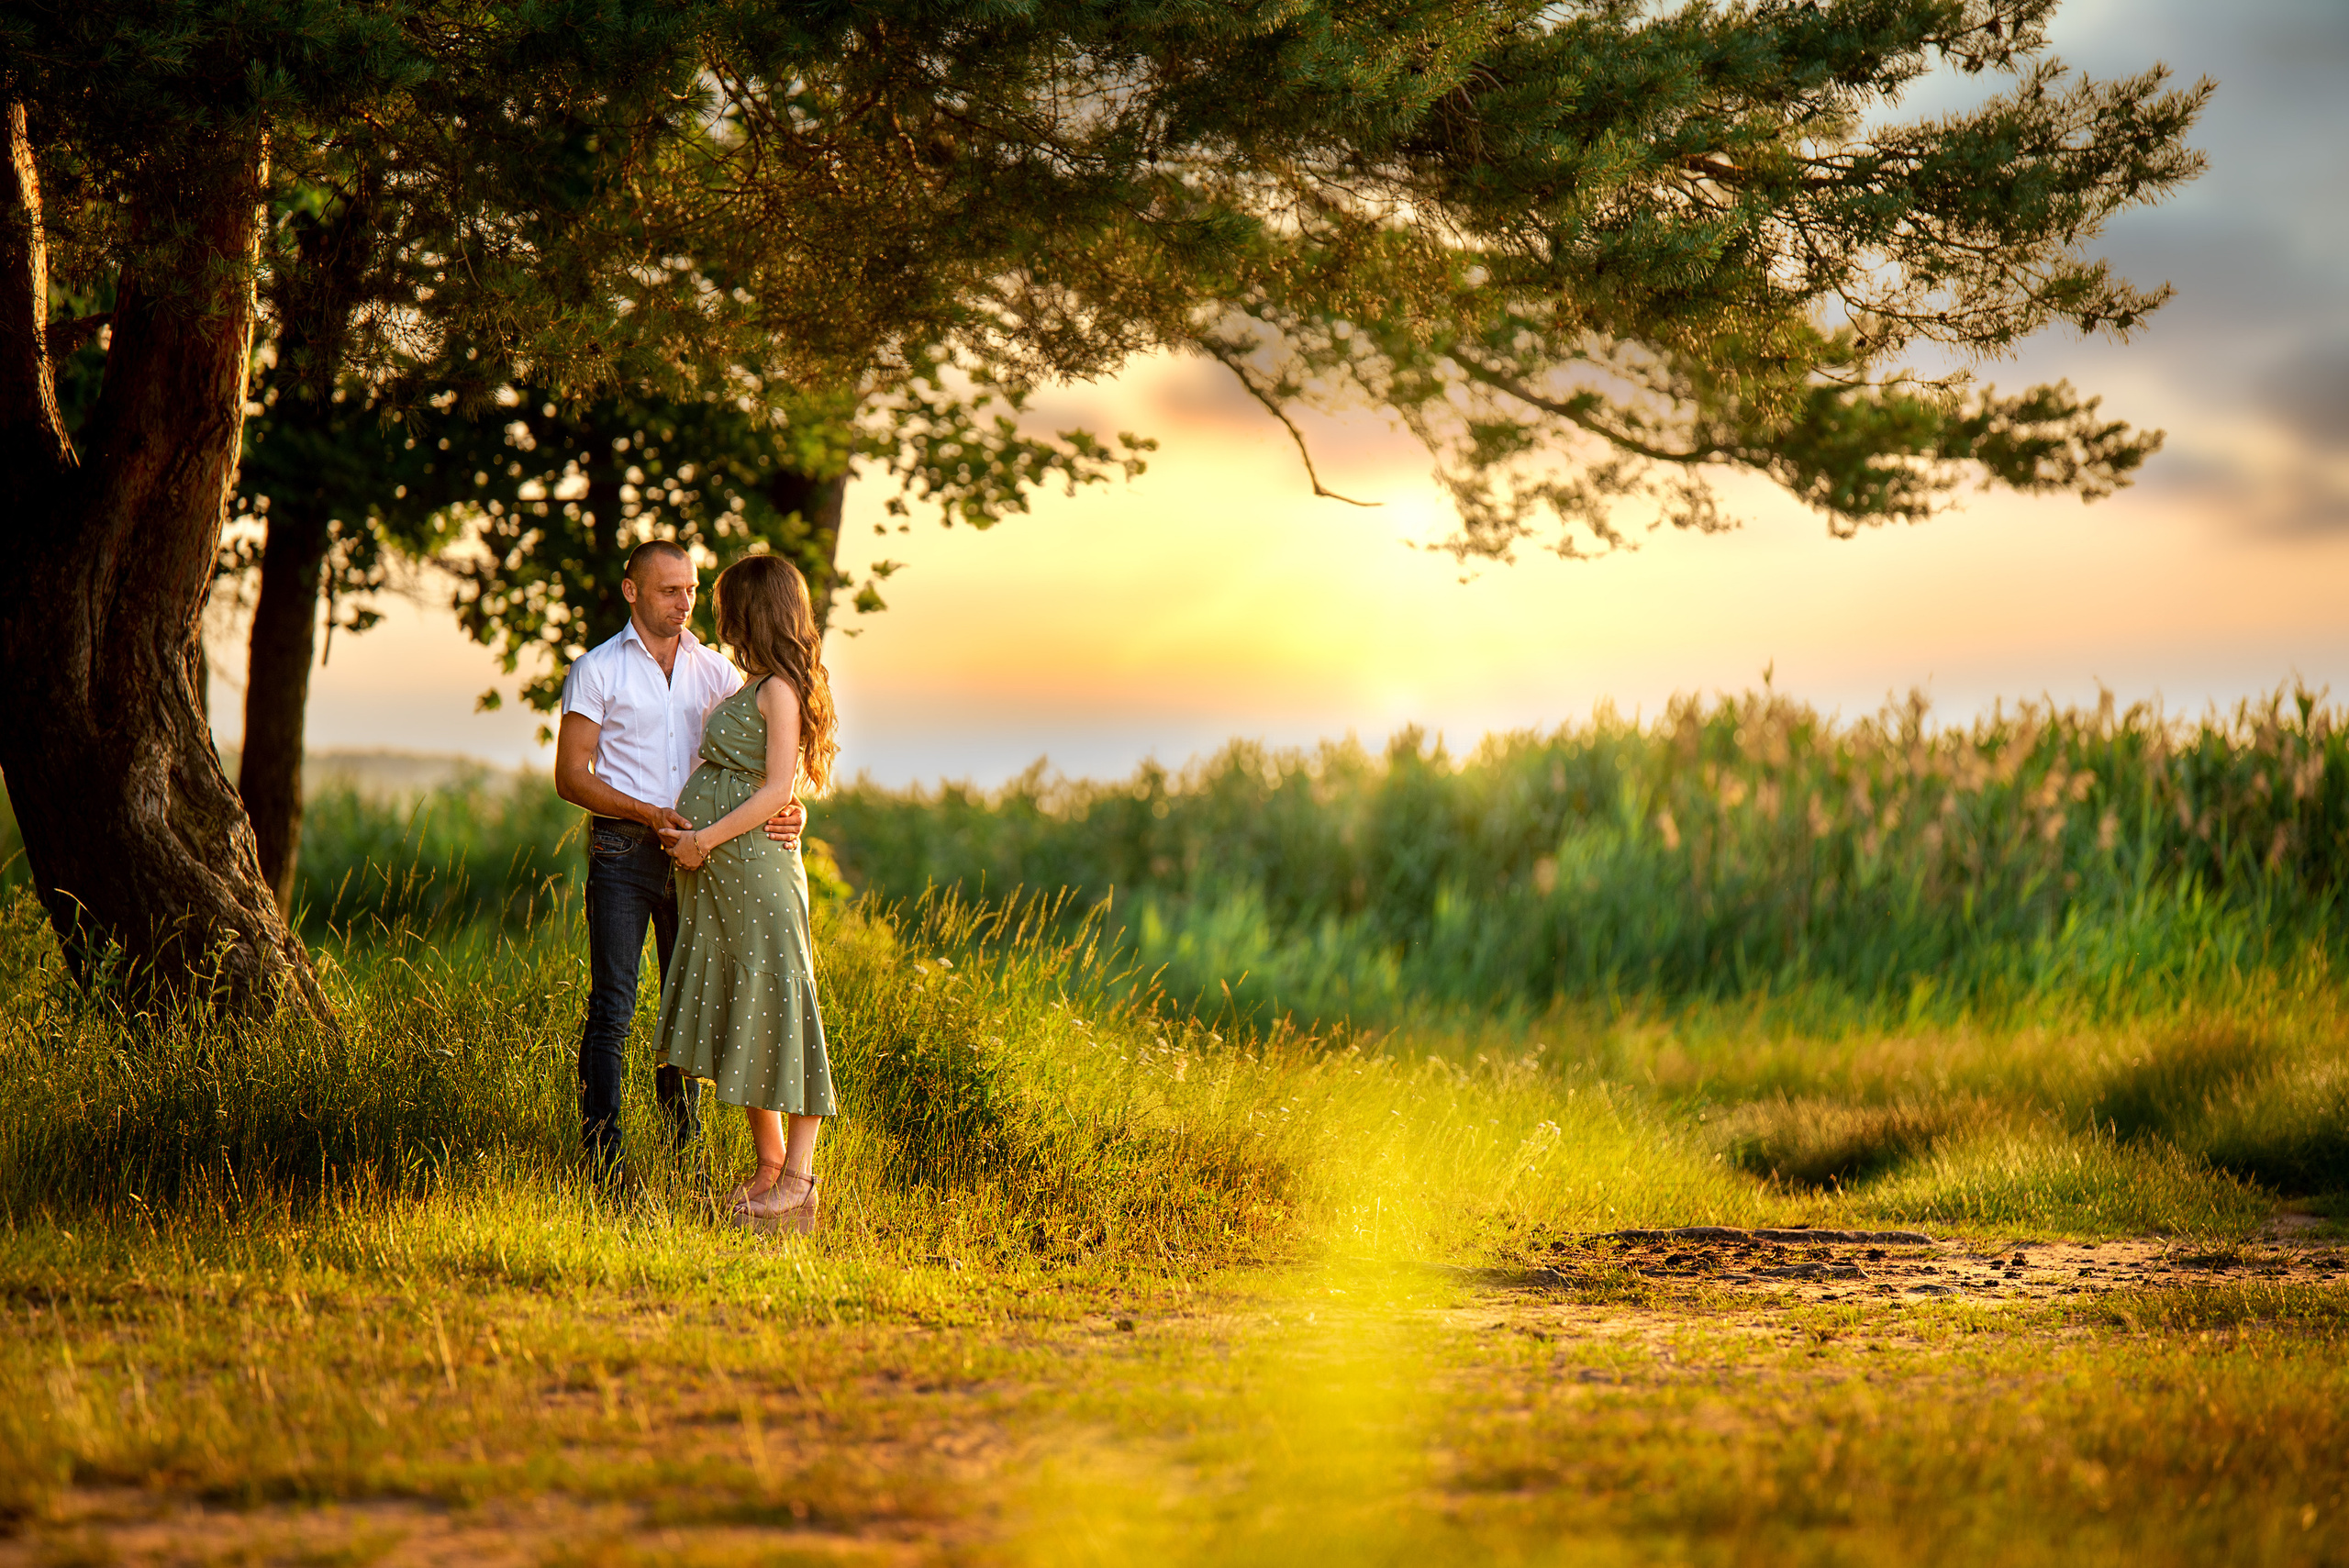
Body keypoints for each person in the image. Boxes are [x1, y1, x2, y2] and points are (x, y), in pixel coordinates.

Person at [553, 540, 804, 1181]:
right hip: (622, 849)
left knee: (683, 1002)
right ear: (632, 590)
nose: (685, 603)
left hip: (703, 857)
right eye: (670, 590)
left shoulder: (716, 671)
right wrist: (646, 813)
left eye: (691, 590)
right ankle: (602, 1157)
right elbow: (570, 776)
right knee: (613, 1005)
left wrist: (794, 809)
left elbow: (767, 755)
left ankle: (682, 1153)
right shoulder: (597, 670)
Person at [654, 553, 840, 1232]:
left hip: (753, 873)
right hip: (727, 882)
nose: (715, 610)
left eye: (726, 599)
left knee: (783, 1008)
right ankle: (767, 1168)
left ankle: (799, 1177)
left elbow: (777, 788)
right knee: (746, 1011)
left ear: (754, 607)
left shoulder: (780, 689)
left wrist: (705, 840)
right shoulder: (752, 680)